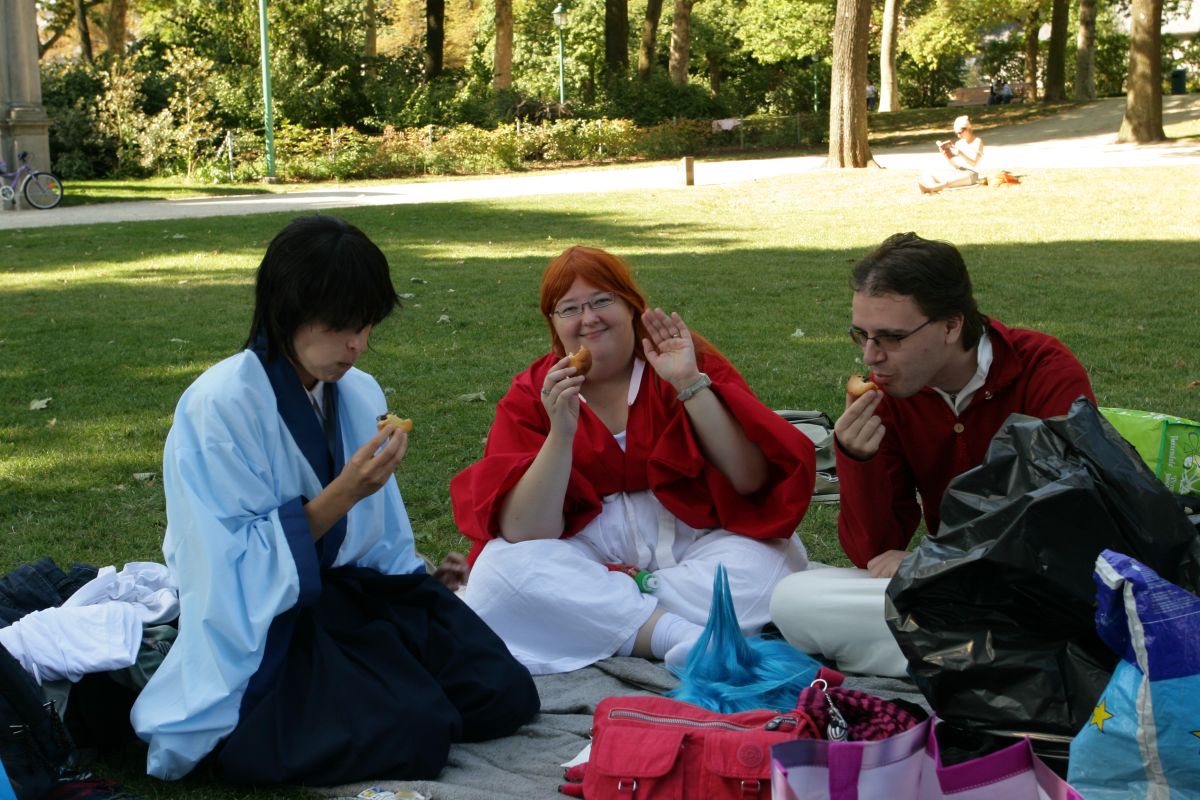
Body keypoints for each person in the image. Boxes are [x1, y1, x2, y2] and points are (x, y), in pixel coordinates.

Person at [130, 216, 539, 785]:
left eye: (366, 326)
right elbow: (221, 563)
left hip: (359, 594)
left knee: (504, 691)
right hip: (272, 616)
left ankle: (385, 680)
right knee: (415, 731)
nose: (356, 345)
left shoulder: (360, 390)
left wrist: (420, 585)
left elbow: (383, 537)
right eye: (341, 326)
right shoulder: (219, 405)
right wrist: (345, 492)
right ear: (287, 311)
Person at [450, 245, 815, 675]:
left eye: (603, 300)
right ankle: (679, 636)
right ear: (553, 322)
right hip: (584, 548)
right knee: (499, 577)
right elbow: (527, 532)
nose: (588, 319)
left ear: (630, 305)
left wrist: (688, 383)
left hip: (692, 539)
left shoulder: (683, 358)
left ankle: (610, 614)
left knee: (776, 565)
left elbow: (749, 478)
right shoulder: (534, 392)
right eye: (569, 308)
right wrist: (561, 432)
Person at [770, 233, 1094, 677]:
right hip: (950, 595)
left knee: (1047, 612)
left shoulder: (1042, 368)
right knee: (794, 599)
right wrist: (855, 458)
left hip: (1032, 586)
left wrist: (940, 561)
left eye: (891, 338)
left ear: (951, 326)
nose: (872, 356)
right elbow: (874, 553)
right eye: (861, 336)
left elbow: (1060, 523)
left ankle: (971, 664)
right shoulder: (892, 395)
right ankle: (989, 667)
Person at [918, 115, 984, 194]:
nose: (959, 136)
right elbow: (956, 166)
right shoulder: (959, 143)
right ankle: (932, 188)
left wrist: (961, 153)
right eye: (957, 133)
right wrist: (946, 155)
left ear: (967, 129)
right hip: (959, 171)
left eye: (960, 132)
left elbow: (974, 163)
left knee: (948, 183)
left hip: (972, 173)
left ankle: (930, 188)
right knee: (928, 173)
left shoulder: (977, 141)